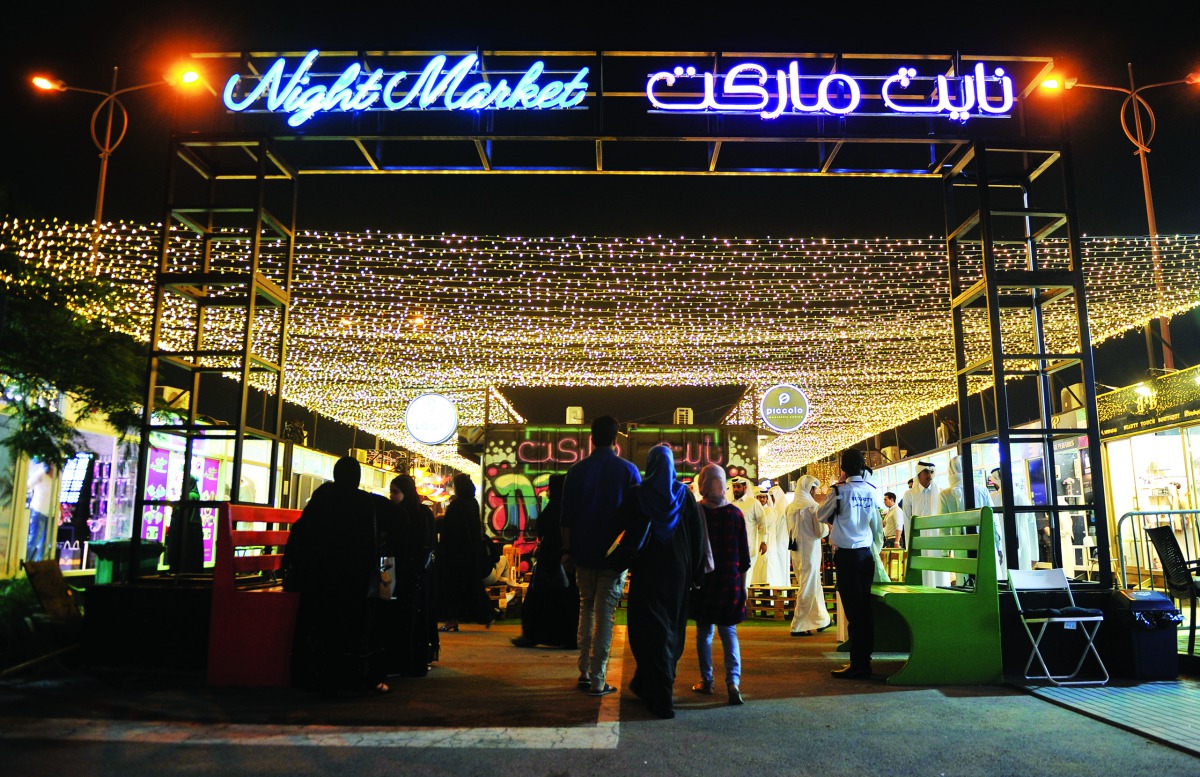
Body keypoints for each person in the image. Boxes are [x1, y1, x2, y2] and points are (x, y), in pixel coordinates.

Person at [283, 456, 387, 695]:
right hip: (353, 579)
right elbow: (370, 543)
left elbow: (301, 533)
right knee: (351, 629)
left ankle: (319, 676)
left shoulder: (322, 498)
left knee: (322, 626)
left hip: (320, 578)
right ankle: (349, 677)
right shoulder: (364, 501)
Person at [625, 444, 709, 719]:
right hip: (678, 571)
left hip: (647, 570)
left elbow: (624, 530)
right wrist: (696, 572)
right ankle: (653, 684)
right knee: (671, 629)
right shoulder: (684, 496)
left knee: (647, 629)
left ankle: (660, 695)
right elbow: (697, 536)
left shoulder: (638, 494)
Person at [561, 415, 642, 697]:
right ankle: (598, 679)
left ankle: (584, 671)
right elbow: (637, 517)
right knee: (606, 613)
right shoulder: (629, 471)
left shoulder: (576, 471)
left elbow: (566, 519)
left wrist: (567, 551)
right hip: (613, 555)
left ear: (591, 438)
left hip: (582, 552)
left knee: (586, 607)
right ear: (616, 439)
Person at [690, 463, 751, 705]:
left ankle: (707, 681)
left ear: (703, 484)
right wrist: (743, 586)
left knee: (704, 633)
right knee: (729, 631)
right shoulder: (735, 514)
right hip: (730, 583)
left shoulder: (696, 512)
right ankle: (733, 682)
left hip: (704, 584)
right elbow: (744, 557)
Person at [820, 449, 880, 680]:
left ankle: (859, 664)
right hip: (866, 556)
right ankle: (864, 659)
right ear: (863, 467)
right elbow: (876, 524)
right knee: (864, 609)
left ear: (843, 469)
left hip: (847, 557)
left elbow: (820, 515)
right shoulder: (871, 490)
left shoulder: (839, 491)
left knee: (854, 612)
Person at [513, 474, 580, 649]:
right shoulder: (569, 508)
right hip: (566, 561)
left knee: (538, 600)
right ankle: (567, 637)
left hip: (550, 561)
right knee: (566, 600)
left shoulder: (552, 509)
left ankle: (533, 634)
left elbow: (543, 532)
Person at [388, 473, 439, 675]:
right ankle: (416, 660)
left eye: (395, 492)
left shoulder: (407, 515)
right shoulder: (420, 513)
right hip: (418, 573)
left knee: (409, 617)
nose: (392, 496)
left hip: (410, 572)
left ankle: (408, 661)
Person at [432, 473, 492, 632]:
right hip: (470, 552)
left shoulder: (456, 506)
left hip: (454, 554)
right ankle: (486, 613)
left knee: (452, 588)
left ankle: (452, 619)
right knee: (470, 586)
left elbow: (449, 529)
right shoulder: (472, 503)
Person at [939, 455, 997, 583]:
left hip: (961, 545)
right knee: (986, 580)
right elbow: (994, 519)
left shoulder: (945, 494)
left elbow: (944, 526)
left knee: (965, 582)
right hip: (984, 542)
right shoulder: (982, 490)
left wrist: (945, 552)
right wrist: (998, 545)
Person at [785, 474, 830, 636]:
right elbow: (819, 531)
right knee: (808, 585)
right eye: (813, 489)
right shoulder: (813, 507)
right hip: (810, 551)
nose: (814, 492)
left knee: (811, 584)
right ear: (809, 489)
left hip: (796, 551)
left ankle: (820, 619)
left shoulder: (790, 508)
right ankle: (799, 625)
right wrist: (828, 528)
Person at [902, 461, 946, 587]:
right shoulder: (910, 494)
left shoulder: (941, 492)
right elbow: (907, 521)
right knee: (922, 574)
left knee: (939, 573)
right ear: (918, 474)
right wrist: (910, 546)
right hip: (919, 540)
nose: (929, 475)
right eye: (926, 472)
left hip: (936, 540)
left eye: (931, 472)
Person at [730, 476, 767, 591]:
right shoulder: (730, 503)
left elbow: (763, 523)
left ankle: (743, 601)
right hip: (732, 548)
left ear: (745, 487)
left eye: (738, 486)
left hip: (748, 548)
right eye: (734, 487)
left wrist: (764, 541)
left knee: (744, 581)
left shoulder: (753, 503)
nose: (736, 489)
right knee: (733, 580)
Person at [751, 485, 792, 587]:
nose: (761, 499)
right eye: (759, 497)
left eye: (763, 497)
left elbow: (762, 528)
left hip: (771, 542)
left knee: (769, 566)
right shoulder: (762, 510)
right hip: (765, 542)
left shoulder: (770, 511)